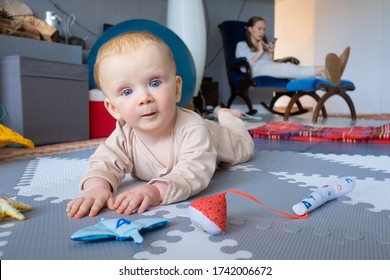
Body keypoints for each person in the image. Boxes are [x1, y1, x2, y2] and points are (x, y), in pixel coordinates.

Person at [66, 31, 255, 218]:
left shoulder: (193, 129)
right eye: (126, 91)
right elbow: (103, 163)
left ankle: (230, 117)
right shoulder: (124, 135)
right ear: (113, 108)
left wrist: (155, 191)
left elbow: (193, 171)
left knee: (245, 148)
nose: (144, 98)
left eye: (155, 83)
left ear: (177, 89)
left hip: (217, 137)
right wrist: (96, 188)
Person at [236, 16, 349, 84]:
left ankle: (327, 73)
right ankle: (328, 69)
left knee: (292, 70)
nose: (262, 32)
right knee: (288, 67)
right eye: (259, 29)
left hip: (267, 68)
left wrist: (270, 52)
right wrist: (260, 52)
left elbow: (270, 64)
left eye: (264, 29)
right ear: (250, 29)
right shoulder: (241, 45)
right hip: (255, 71)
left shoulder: (263, 45)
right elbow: (243, 66)